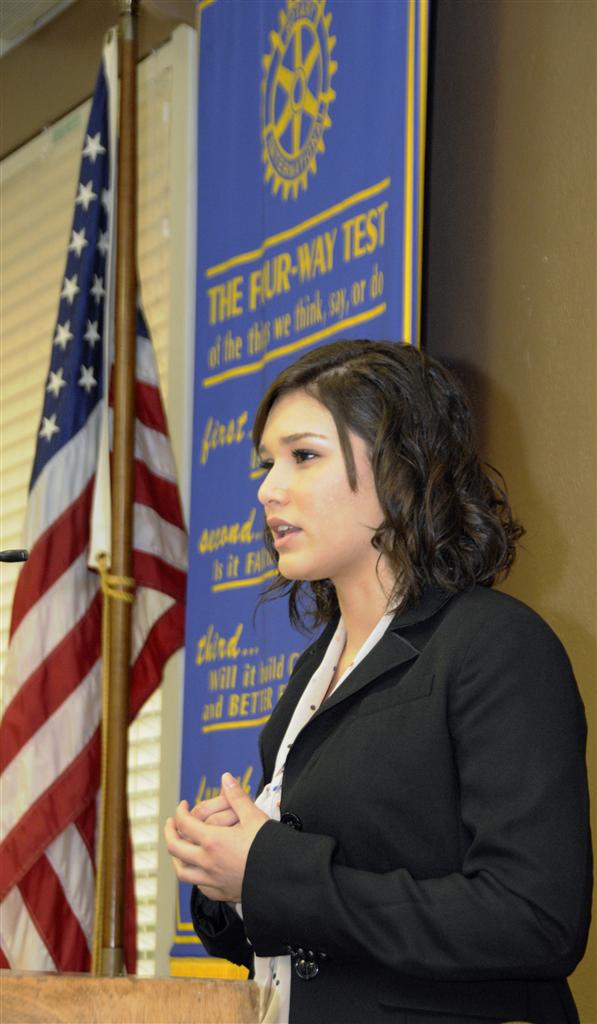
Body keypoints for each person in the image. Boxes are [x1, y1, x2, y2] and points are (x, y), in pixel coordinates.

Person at [165, 340, 591, 1024]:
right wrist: (229, 882)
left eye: (304, 456)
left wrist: (270, 870)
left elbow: (533, 919)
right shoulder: (314, 671)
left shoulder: (494, 644)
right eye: (268, 464)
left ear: (402, 468)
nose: (268, 489)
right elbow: (325, 942)